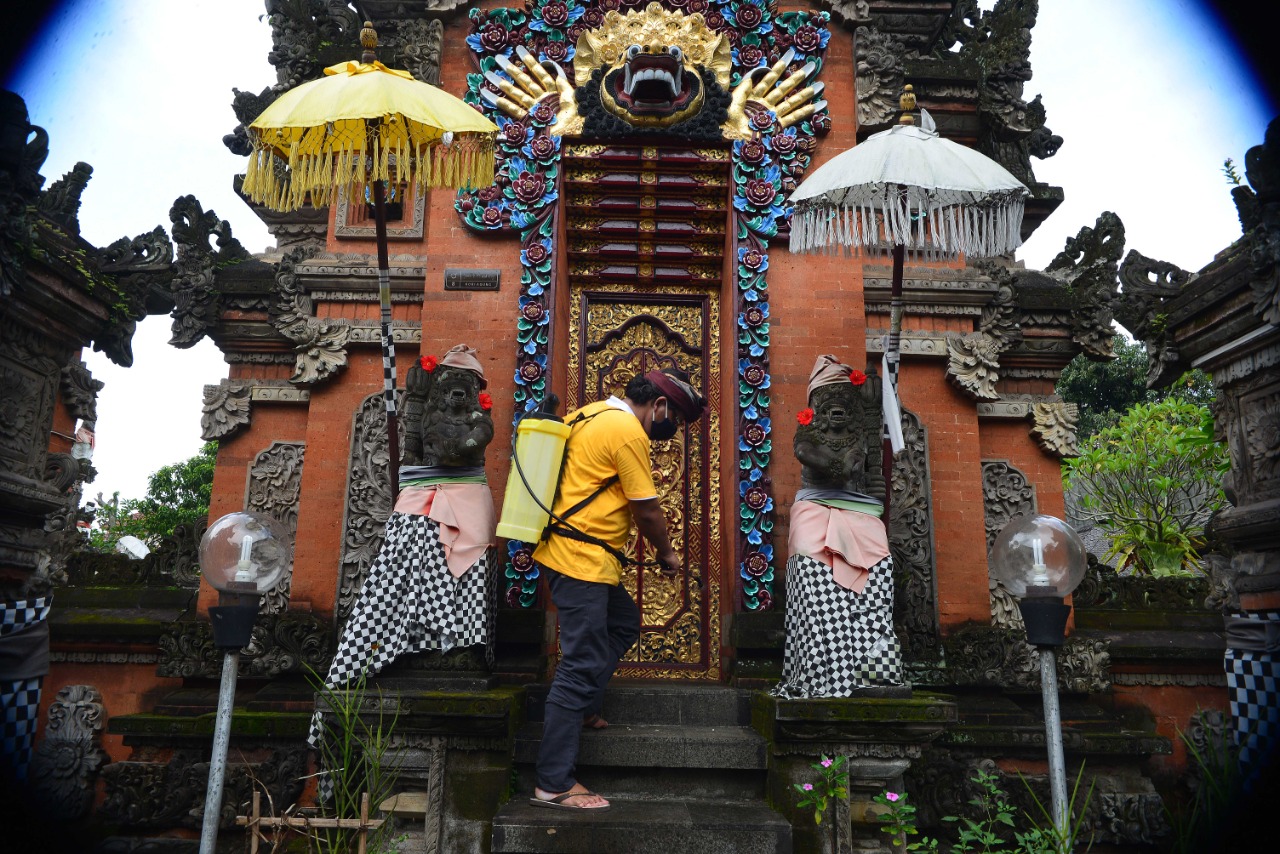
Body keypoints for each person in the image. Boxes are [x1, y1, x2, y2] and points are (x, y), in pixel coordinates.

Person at [528, 367, 705, 812]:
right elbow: (645, 510)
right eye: (675, 419)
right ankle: (553, 784)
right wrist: (667, 553)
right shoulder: (627, 429)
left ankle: (584, 703)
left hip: (578, 554)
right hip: (581, 559)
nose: (672, 429)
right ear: (659, 405)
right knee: (581, 661)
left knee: (623, 622)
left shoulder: (588, 414)